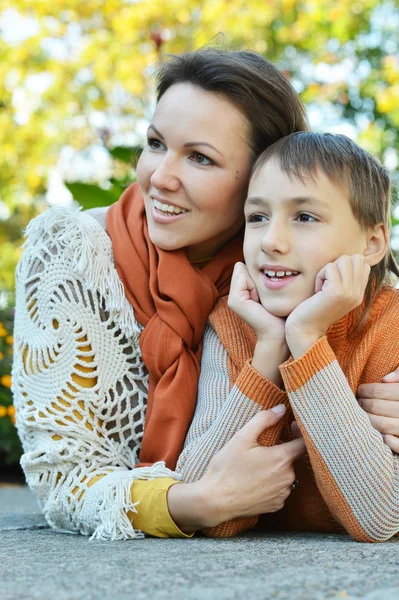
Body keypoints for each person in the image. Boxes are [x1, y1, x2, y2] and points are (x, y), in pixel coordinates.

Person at [11, 48, 399, 541]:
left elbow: (367, 298)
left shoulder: (285, 266)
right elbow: (62, 478)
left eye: (200, 157)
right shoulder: (75, 254)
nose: (160, 178)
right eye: (155, 143)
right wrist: (196, 503)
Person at [185, 131, 399, 542]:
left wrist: (306, 337)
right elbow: (202, 503)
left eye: (304, 217)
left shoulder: (390, 326)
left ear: (372, 243)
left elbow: (380, 518)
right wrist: (268, 350)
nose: (271, 241)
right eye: (258, 217)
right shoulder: (232, 323)